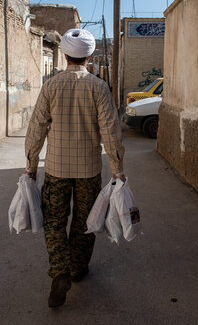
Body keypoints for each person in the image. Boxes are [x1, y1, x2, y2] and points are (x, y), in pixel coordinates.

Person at [24, 28, 125, 308]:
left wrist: (31, 164)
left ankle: (59, 272)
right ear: (89, 56)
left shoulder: (51, 86)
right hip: (88, 171)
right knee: (84, 223)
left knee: (54, 222)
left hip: (56, 169)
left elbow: (36, 128)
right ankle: (78, 269)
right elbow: (111, 131)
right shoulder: (99, 87)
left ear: (65, 54)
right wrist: (117, 169)